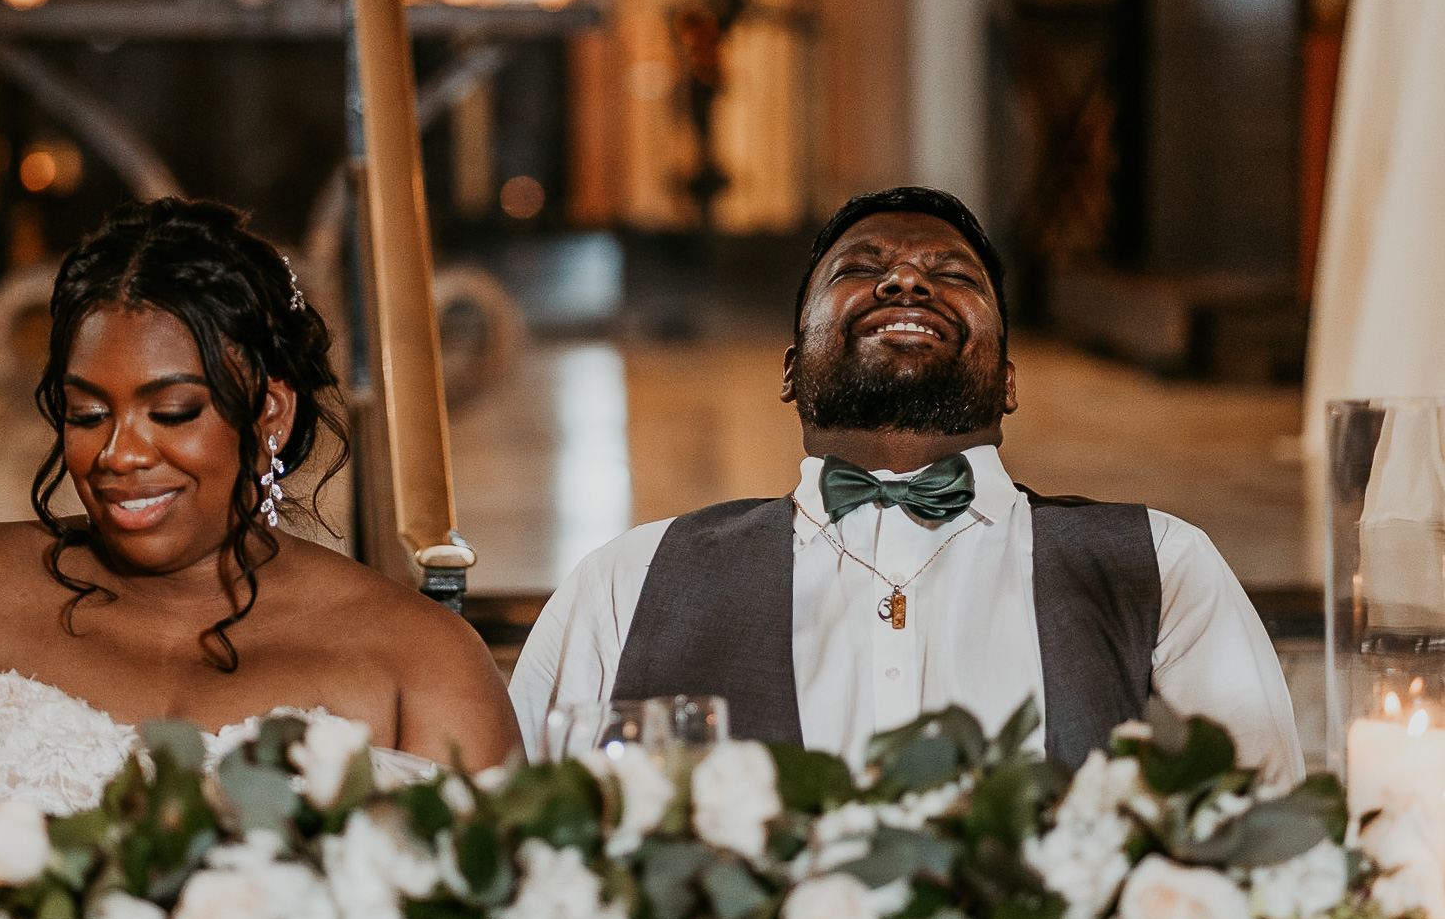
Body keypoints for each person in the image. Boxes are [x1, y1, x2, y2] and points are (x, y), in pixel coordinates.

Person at [510, 186, 1301, 783]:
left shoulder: (1159, 563)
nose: (905, 284)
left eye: (951, 275)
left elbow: (1264, 836)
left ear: (1010, 380)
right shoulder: (631, 580)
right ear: (791, 370)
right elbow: (528, 838)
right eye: (861, 270)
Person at [0, 198, 520, 809]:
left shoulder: (422, 661)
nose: (120, 454)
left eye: (171, 412)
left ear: (270, 415)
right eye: (85, 414)